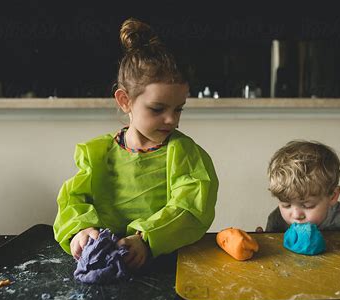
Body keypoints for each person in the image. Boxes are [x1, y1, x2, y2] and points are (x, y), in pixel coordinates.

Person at [53, 18, 218, 270]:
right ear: (125, 100)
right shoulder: (97, 153)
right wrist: (81, 229)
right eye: (158, 108)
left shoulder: (184, 154)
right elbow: (72, 200)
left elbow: (190, 209)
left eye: (178, 109)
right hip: (102, 260)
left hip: (163, 262)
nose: (171, 119)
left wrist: (146, 238)